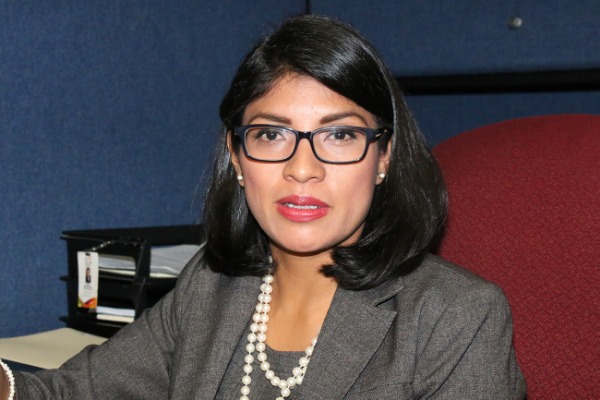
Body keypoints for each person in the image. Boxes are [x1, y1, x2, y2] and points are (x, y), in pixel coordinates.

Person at [1, 14, 526, 399]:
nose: (302, 168)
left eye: (339, 135)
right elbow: (68, 393)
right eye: (272, 134)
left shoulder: (453, 317)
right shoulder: (211, 283)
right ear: (237, 156)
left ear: (383, 156)